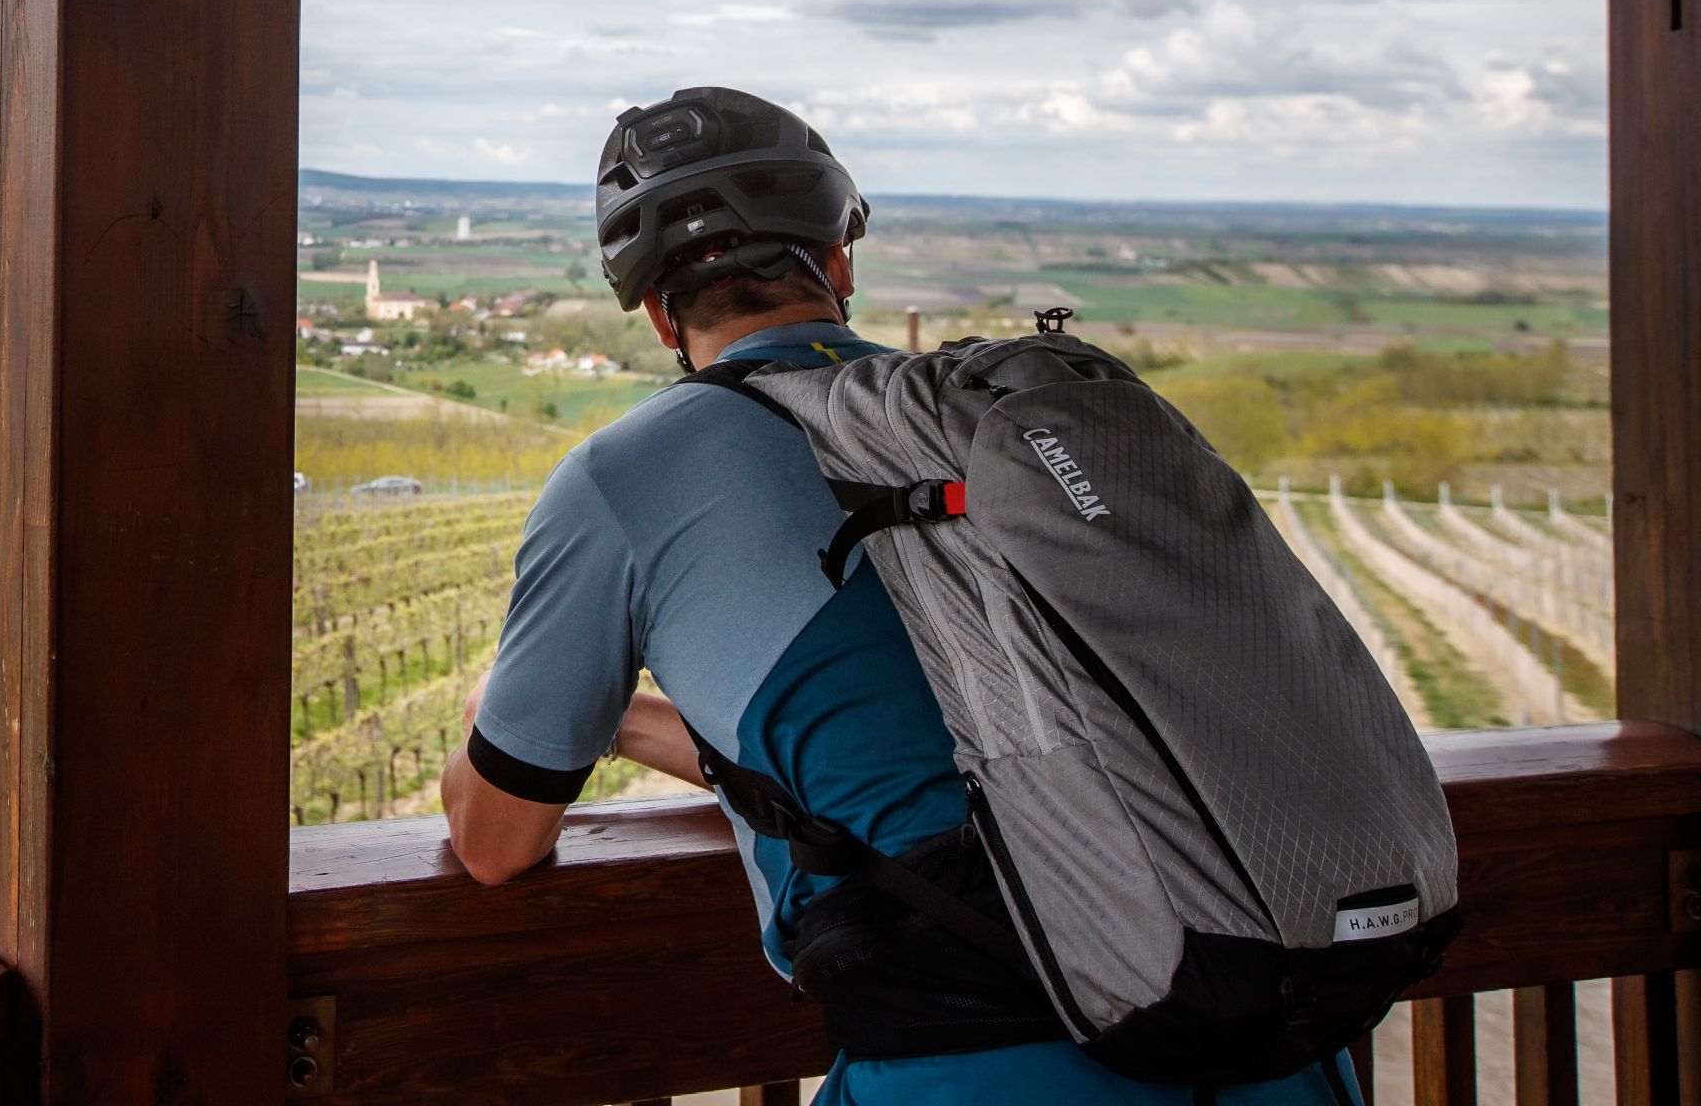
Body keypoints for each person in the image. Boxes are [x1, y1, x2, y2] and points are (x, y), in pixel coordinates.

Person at [440, 86, 1357, 1105]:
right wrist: (624, 725)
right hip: (1276, 1033)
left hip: (978, 1070)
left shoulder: (624, 476)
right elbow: (979, 736)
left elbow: (494, 842)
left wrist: (507, 726)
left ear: (658, 311)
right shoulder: (1002, 424)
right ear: (837, 261)